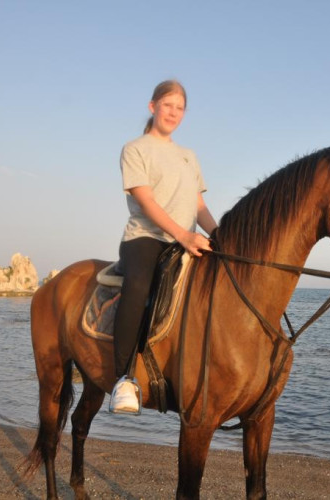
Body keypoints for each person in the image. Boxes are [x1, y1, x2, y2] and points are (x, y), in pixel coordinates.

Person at [110, 80, 218, 414]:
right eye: (168, 105)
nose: (173, 112)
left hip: (185, 241)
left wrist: (221, 235)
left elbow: (198, 207)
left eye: (180, 108)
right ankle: (124, 379)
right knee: (140, 284)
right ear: (152, 106)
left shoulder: (189, 156)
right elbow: (146, 202)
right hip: (145, 238)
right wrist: (183, 235)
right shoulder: (135, 148)